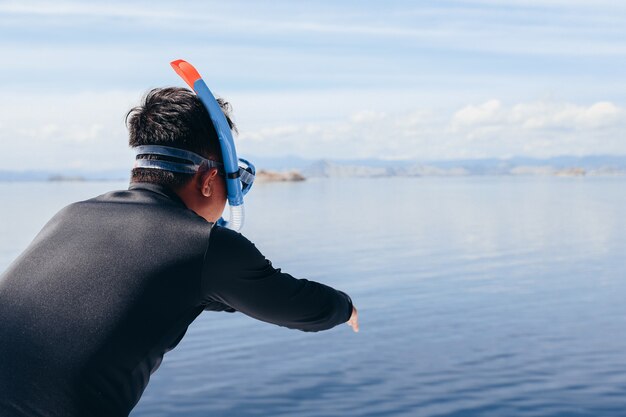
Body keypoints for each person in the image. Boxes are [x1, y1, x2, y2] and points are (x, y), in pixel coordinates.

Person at [0, 86, 358, 417]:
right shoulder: (205, 244)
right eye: (235, 184)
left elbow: (166, 283)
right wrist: (344, 306)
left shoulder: (72, 214)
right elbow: (295, 305)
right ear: (207, 181)